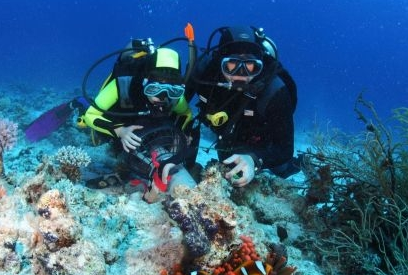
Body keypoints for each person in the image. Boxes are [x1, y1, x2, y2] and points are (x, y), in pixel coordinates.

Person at [73, 38, 199, 202]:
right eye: (155, 89)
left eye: (172, 91)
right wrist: (120, 131)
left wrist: (182, 134)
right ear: (145, 82)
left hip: (147, 128)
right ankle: (80, 102)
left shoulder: (174, 97)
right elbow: (92, 115)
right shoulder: (123, 84)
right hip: (119, 121)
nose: (163, 98)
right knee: (96, 134)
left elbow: (186, 114)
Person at [186, 25, 301, 187]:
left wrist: (254, 159)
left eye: (250, 65)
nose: (241, 74)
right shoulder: (203, 73)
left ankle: (299, 165)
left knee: (281, 169)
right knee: (229, 166)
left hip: (260, 140)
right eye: (232, 64)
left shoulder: (275, 91)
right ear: (219, 62)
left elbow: (285, 149)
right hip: (226, 137)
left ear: (260, 65)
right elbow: (177, 104)